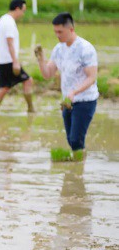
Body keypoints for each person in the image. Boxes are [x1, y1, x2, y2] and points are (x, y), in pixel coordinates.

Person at [35, 12, 99, 158]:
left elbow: (92, 78)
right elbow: (48, 74)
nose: (57, 35)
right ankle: (77, 169)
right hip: (67, 100)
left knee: (76, 139)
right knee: (71, 139)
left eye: (60, 32)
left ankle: (78, 171)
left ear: (71, 29)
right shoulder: (59, 49)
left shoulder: (85, 48)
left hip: (85, 100)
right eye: (55, 32)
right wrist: (41, 59)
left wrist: (74, 92)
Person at [0, 0, 35, 113]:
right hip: (8, 61)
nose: (23, 14)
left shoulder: (3, 19)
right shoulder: (9, 22)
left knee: (4, 87)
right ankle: (31, 109)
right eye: (23, 11)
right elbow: (10, 42)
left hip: (1, 60)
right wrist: (16, 62)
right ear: (17, 9)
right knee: (28, 81)